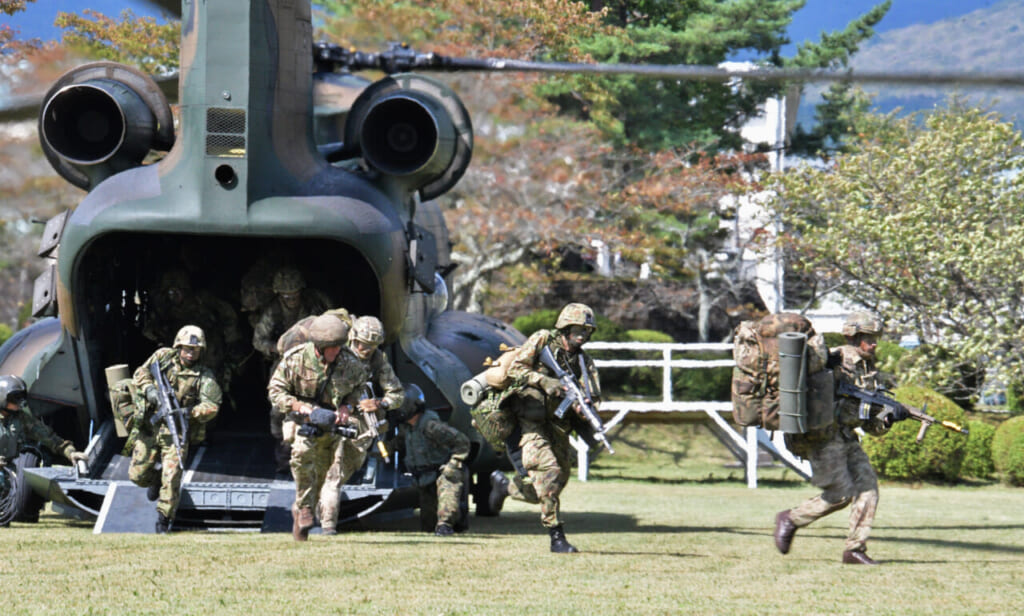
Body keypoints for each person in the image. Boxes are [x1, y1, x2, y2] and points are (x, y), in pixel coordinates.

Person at [773, 311, 901, 565]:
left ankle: (855, 549)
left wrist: (886, 417)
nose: (874, 343)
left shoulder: (868, 368)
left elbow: (868, 422)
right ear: (854, 336)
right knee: (841, 494)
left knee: (868, 487)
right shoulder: (834, 361)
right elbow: (827, 404)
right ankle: (790, 518)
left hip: (845, 436)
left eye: (875, 337)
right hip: (822, 437)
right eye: (868, 337)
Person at [488, 303, 601, 553]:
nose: (581, 336)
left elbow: (594, 395)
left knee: (556, 480)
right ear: (565, 327)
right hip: (530, 423)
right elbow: (517, 369)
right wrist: (543, 381)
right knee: (548, 473)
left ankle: (505, 487)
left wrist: (584, 408)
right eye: (577, 330)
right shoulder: (543, 341)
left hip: (560, 426)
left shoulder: (584, 362)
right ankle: (556, 537)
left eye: (586, 331)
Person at [129, 325, 222, 533]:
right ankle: (155, 480)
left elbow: (212, 405)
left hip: (177, 430)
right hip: (151, 427)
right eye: (186, 348)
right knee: (137, 475)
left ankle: (163, 520)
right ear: (178, 346)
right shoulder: (162, 357)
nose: (190, 353)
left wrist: (188, 413)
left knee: (172, 477)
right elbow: (140, 372)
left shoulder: (204, 376)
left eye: (195, 350)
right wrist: (151, 390)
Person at [317, 316, 404, 534]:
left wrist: (378, 403)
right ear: (353, 339)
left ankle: (323, 519)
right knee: (331, 474)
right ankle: (327, 524)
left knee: (340, 470)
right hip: (328, 418)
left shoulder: (377, 361)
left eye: (372, 346)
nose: (365, 350)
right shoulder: (335, 353)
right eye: (362, 344)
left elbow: (397, 394)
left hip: (359, 425)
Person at [0, 375, 88, 522]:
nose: (19, 403)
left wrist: (71, 453)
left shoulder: (21, 419)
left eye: (21, 398)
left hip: (8, 468)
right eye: (14, 398)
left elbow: (50, 438)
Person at [390, 384, 470, 536]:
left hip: (442, 472)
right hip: (424, 477)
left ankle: (446, 525)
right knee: (428, 524)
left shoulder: (430, 426)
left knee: (446, 509)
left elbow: (462, 441)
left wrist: (453, 464)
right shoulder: (408, 428)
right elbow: (396, 444)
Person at [252, 267, 331, 361]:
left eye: (295, 294)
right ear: (279, 295)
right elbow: (258, 341)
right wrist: (278, 348)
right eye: (286, 296)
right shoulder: (272, 312)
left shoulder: (315, 301)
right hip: (287, 356)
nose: (292, 300)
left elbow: (334, 319)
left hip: (315, 351)